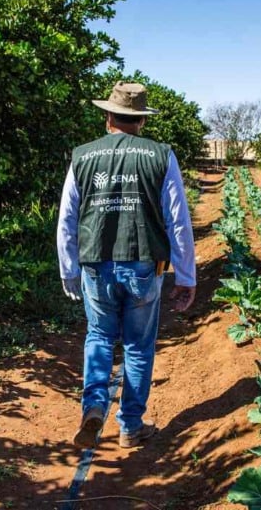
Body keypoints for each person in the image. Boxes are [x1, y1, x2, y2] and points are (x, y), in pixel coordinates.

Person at [56, 81, 197, 449]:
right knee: (138, 346)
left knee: (100, 337)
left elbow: (67, 218)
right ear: (141, 121)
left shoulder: (82, 156)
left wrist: (68, 267)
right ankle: (130, 427)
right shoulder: (161, 155)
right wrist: (186, 276)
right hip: (143, 267)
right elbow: (178, 220)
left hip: (95, 266)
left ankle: (93, 409)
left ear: (108, 116)